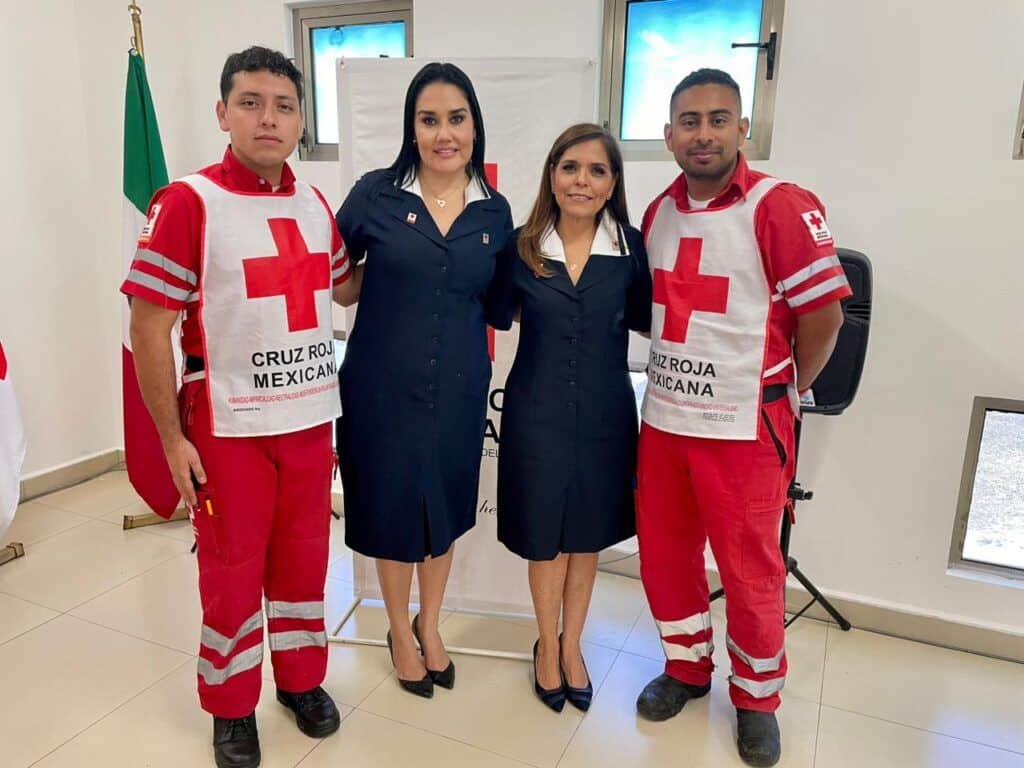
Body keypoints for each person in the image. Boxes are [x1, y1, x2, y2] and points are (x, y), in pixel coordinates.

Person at [123, 46, 360, 768]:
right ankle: (231, 707)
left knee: (302, 563)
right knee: (230, 572)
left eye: (284, 106)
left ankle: (300, 682)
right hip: (228, 428)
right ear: (222, 113)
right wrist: (171, 440)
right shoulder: (187, 201)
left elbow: (347, 289)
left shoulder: (314, 203)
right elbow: (147, 326)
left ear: (300, 121)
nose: (268, 118)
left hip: (310, 421)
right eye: (251, 102)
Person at [634, 69, 851, 767]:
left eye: (718, 119)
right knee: (667, 560)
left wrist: (789, 390)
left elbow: (826, 317)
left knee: (752, 571)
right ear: (668, 135)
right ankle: (687, 669)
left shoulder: (779, 205)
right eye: (689, 122)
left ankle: (756, 700)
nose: (703, 134)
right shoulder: (658, 211)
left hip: (744, 430)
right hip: (665, 421)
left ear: (742, 130)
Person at [334, 62, 513, 698]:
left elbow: (499, 304)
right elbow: (334, 271)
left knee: (443, 511)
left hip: (460, 388)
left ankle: (429, 624)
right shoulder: (375, 195)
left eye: (456, 119)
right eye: (429, 119)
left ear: (474, 127)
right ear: (411, 128)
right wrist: (361, 285)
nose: (444, 133)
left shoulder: (495, 211)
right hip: (381, 387)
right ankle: (398, 632)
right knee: (389, 511)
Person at [490, 123, 651, 713]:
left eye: (597, 170)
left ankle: (573, 644)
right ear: (552, 176)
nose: (582, 180)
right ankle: (545, 646)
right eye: (570, 167)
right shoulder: (519, 246)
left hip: (607, 415)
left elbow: (640, 320)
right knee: (545, 539)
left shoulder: (631, 249)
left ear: (612, 184)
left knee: (585, 538)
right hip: (536, 411)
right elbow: (492, 315)